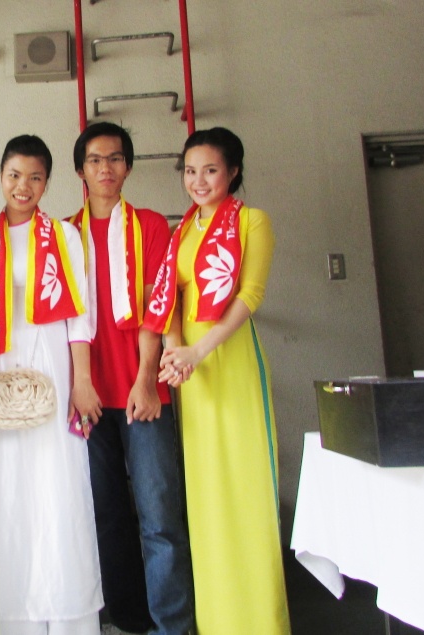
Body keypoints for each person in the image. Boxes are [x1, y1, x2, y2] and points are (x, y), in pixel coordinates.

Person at [148, 127, 289, 634]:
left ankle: (260, 622)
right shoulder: (181, 231)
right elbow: (169, 300)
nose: (199, 181)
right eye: (190, 171)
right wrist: (174, 353)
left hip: (229, 364)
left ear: (233, 171)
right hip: (192, 375)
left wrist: (198, 351)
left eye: (210, 170)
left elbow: (249, 297)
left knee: (245, 491)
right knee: (205, 496)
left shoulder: (253, 222)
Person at [68, 122, 194, 635]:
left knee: (160, 516)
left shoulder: (151, 226)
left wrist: (146, 378)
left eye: (116, 158)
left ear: (128, 166)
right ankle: (127, 619)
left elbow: (157, 308)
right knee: (106, 515)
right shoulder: (64, 234)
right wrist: (78, 385)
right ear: (80, 170)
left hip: (145, 392)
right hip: (88, 395)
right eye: (95, 160)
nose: (106, 168)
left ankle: (172, 624)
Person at [0, 135, 103, 635]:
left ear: (47, 182)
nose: (22, 186)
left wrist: (82, 381)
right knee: (6, 488)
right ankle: (13, 616)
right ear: (0, 176)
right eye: (14, 175)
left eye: (34, 177)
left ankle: (64, 611)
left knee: (57, 486)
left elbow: (80, 315)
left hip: (52, 367)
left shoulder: (65, 236)